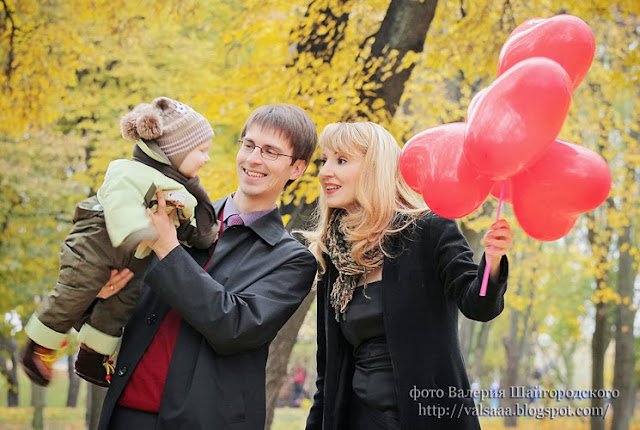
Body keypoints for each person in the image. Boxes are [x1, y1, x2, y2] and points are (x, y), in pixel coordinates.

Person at [97, 104, 318, 430]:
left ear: (297, 168)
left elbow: (235, 327)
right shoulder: (179, 216)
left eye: (271, 152)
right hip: (126, 412)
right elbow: (130, 297)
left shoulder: (292, 259)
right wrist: (101, 291)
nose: (254, 159)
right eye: (249, 145)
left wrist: (168, 248)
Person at [303, 122, 514, 430]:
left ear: (375, 168)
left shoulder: (429, 231)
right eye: (325, 161)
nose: (325, 172)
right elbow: (328, 375)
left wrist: (493, 261)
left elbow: (478, 305)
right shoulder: (333, 257)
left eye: (341, 160)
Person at [20, 97, 219, 387]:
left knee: (122, 303)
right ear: (174, 152)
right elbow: (122, 204)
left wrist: (198, 234)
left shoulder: (181, 189)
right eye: (201, 151)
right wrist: (139, 232)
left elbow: (184, 223)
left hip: (135, 258)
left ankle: (93, 357)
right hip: (96, 245)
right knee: (77, 289)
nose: (207, 158)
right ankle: (39, 345)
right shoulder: (128, 171)